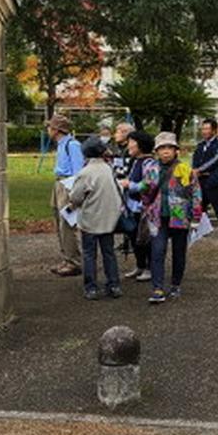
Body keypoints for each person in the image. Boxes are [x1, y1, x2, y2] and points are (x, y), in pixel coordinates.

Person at [131, 131, 201, 304]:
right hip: (157, 217)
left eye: (170, 147)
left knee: (179, 253)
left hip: (180, 217)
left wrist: (196, 217)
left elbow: (196, 193)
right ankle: (157, 288)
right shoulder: (152, 169)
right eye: (162, 148)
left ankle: (176, 284)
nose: (166, 151)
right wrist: (133, 187)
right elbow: (145, 188)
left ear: (176, 150)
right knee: (157, 252)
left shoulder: (185, 169)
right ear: (156, 151)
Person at [69, 137, 124, 301]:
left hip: (90, 219)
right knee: (109, 253)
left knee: (89, 254)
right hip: (108, 219)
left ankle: (91, 287)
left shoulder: (85, 173)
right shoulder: (108, 168)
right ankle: (114, 285)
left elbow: (76, 197)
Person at [47, 114, 84, 277]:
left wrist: (73, 195)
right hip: (59, 183)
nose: (48, 130)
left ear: (56, 129)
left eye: (50, 127)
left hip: (67, 185)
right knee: (59, 221)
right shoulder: (61, 144)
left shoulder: (72, 145)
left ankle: (73, 261)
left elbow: (78, 171)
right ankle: (66, 257)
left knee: (67, 223)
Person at [120, 130, 155, 281]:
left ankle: (149, 268)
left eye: (131, 142)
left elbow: (149, 184)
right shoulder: (135, 161)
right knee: (134, 237)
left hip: (143, 207)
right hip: (132, 205)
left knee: (145, 238)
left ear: (140, 145)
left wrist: (130, 185)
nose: (129, 145)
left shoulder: (149, 163)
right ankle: (140, 265)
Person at [192, 118, 218, 240]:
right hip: (200, 179)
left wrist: (200, 169)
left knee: (217, 204)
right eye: (203, 129)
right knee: (201, 205)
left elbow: (217, 159)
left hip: (214, 179)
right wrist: (195, 170)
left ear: (214, 130)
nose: (204, 131)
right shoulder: (200, 145)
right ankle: (204, 228)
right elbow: (195, 159)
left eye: (207, 129)